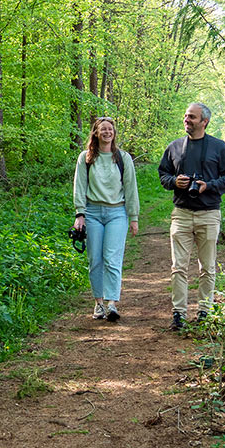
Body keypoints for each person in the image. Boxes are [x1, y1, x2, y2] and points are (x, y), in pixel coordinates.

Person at [158, 102, 225, 331]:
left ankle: (205, 312)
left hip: (209, 213)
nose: (187, 120)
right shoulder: (174, 147)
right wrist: (175, 182)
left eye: (192, 117)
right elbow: (163, 174)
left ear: (205, 121)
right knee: (178, 267)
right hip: (181, 214)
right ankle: (178, 315)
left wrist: (208, 185)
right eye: (185, 116)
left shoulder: (219, 147)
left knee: (207, 267)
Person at [72, 117, 140, 322]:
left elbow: (130, 188)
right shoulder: (86, 157)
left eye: (110, 129)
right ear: (95, 132)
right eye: (103, 129)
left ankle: (112, 303)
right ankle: (99, 303)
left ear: (114, 133)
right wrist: (79, 214)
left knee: (112, 258)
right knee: (95, 260)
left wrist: (134, 216)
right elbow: (79, 186)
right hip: (92, 212)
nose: (107, 132)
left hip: (117, 213)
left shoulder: (123, 158)